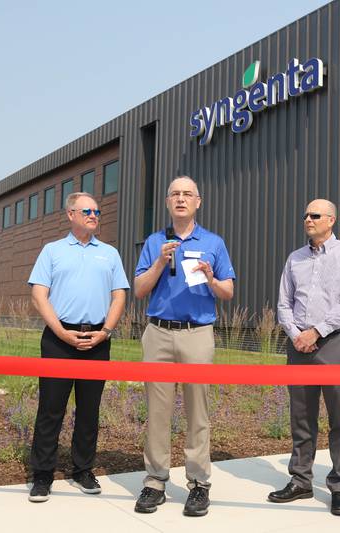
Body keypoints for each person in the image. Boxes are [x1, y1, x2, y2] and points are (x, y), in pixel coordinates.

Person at [133, 176, 235, 517]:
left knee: (197, 412)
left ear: (198, 202)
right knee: (158, 412)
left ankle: (198, 484)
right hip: (159, 332)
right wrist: (160, 261)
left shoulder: (214, 243)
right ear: (167, 202)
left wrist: (210, 278)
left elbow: (228, 292)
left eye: (187, 194)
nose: (181, 199)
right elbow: (139, 289)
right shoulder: (154, 241)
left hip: (197, 333)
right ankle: (155, 482)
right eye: (175, 194)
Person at [27, 192, 129, 502]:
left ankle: (83, 469)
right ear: (70, 214)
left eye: (97, 211)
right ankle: (42, 475)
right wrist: (60, 332)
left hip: (97, 340)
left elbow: (119, 295)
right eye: (87, 210)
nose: (94, 215)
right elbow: (39, 295)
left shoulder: (109, 254)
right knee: (50, 409)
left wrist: (106, 331)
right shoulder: (52, 251)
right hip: (59, 340)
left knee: (89, 409)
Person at [270, 199, 340, 516]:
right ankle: (300, 480)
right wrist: (297, 334)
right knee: (301, 416)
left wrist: (317, 332)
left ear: (331, 220)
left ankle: (339, 486)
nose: (307, 219)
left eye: (314, 215)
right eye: (305, 214)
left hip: (333, 342)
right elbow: (283, 303)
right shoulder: (294, 259)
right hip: (297, 345)